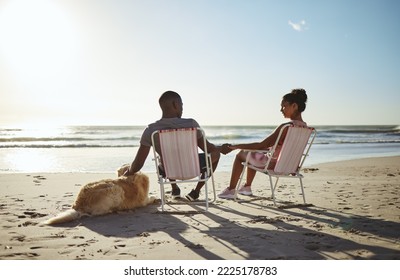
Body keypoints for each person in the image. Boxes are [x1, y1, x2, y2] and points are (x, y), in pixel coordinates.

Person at [124, 90, 231, 201]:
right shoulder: (191, 124)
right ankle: (196, 191)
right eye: (181, 105)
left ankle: (175, 189)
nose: (182, 108)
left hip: (168, 170)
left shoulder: (151, 130)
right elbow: (208, 149)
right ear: (175, 104)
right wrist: (220, 149)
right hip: (194, 168)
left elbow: (138, 164)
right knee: (216, 154)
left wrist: (129, 172)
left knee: (166, 157)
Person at [218, 88, 308, 199]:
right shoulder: (305, 128)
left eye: (284, 106)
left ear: (294, 106)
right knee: (255, 153)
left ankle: (231, 190)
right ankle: (246, 187)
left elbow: (261, 145)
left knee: (241, 154)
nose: (281, 109)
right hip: (289, 167)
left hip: (273, 165)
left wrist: (234, 147)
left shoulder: (286, 127)